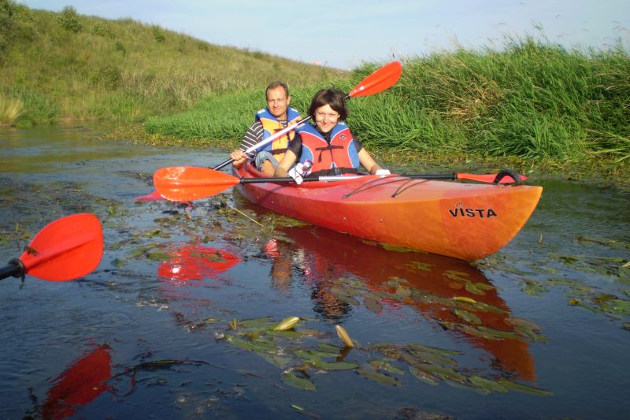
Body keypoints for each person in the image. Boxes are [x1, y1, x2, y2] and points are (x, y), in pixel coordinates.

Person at [274, 88, 389, 178]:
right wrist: (288, 176)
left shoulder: (347, 137)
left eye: (331, 115)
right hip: (314, 192)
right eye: (321, 114)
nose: (325, 120)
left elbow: (372, 165)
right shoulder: (301, 138)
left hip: (349, 188)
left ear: (339, 115)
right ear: (314, 113)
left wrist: (379, 172)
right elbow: (280, 170)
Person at [230, 81, 302, 176]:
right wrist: (238, 156)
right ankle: (276, 183)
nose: (275, 105)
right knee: (262, 155)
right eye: (271, 100)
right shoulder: (258, 127)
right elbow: (241, 161)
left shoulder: (301, 125)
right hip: (271, 173)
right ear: (267, 102)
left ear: (288, 100)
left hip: (295, 168)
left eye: (279, 100)